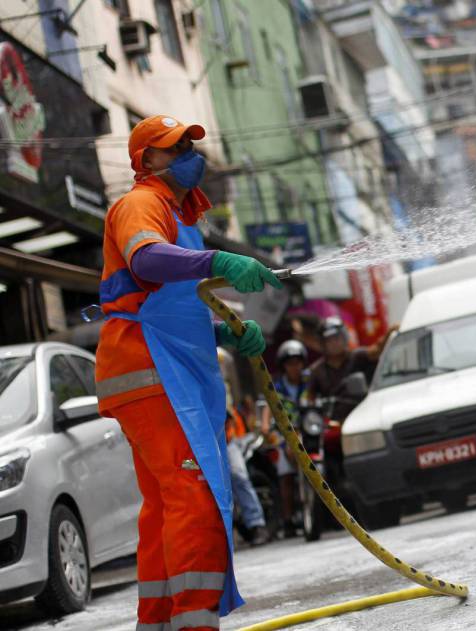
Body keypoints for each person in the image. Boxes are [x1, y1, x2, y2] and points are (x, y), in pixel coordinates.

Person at [94, 115, 282, 630]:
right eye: (174, 147)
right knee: (193, 498)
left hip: (162, 368)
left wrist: (224, 333)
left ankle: (157, 623)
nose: (187, 154)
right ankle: (194, 623)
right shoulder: (141, 204)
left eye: (188, 145)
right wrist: (217, 260)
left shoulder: (181, 217)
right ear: (146, 160)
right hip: (150, 369)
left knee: (162, 507)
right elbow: (148, 263)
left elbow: (175, 300)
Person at [259, 340, 309, 535]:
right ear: (283, 366)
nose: (294, 367)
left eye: (297, 362)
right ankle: (288, 519)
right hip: (285, 438)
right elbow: (268, 408)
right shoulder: (277, 387)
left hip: (308, 432)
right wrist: (265, 425)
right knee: (285, 476)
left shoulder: (309, 382)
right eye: (290, 363)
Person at [220, 359, 271, 547]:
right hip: (196, 447)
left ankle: (257, 525)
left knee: (238, 475)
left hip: (226, 440)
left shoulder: (216, 374)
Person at [305, 317, 386, 421]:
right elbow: (310, 402)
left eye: (337, 338)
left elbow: (377, 351)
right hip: (334, 425)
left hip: (365, 415)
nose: (335, 343)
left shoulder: (358, 356)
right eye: (330, 340)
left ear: (345, 337)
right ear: (323, 343)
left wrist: (390, 332)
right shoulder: (316, 371)